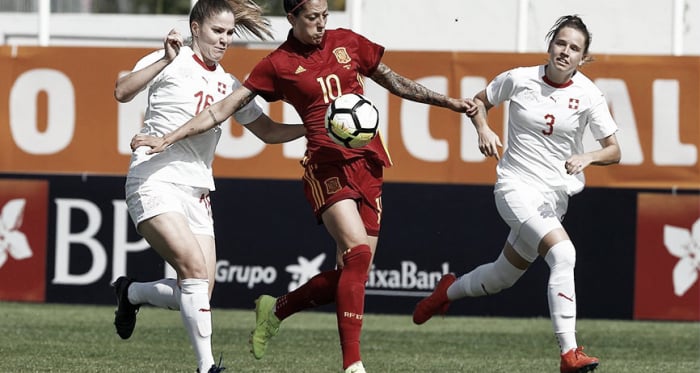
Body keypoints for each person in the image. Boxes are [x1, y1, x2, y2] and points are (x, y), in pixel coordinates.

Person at [129, 1, 476, 371]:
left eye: (325, 15)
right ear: (292, 18)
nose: (321, 24)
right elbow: (219, 111)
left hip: (369, 162)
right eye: (312, 17)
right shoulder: (277, 64)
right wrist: (169, 137)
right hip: (324, 165)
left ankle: (276, 309)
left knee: (353, 273)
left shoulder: (349, 42)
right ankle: (353, 365)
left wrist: (449, 103)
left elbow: (396, 82)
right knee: (357, 254)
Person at [412, 15, 621, 373]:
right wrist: (483, 129)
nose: (565, 52)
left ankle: (444, 293)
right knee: (563, 253)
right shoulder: (519, 78)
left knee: (500, 278)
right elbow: (477, 103)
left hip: (552, 199)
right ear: (550, 43)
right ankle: (569, 354)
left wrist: (588, 156)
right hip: (514, 187)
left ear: (583, 58)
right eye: (561, 43)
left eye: (574, 48)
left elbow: (614, 150)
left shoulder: (589, 95)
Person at [111, 1, 305, 372]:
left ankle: (131, 292)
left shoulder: (229, 84)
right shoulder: (170, 59)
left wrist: (312, 129)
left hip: (198, 189)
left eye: (230, 32)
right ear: (195, 28)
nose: (225, 39)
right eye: (218, 31)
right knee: (195, 272)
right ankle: (207, 367)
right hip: (155, 177)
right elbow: (121, 91)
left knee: (197, 289)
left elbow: (266, 131)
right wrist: (164, 60)